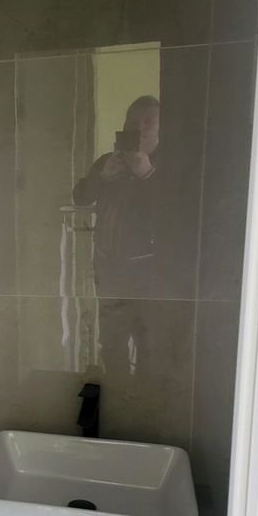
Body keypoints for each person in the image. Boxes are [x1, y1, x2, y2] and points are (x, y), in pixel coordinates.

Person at [72, 95, 160, 375]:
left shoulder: (167, 167)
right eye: (133, 122)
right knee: (111, 343)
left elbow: (172, 214)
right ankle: (116, 396)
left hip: (149, 274)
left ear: (161, 129)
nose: (140, 128)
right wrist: (102, 177)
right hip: (109, 269)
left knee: (149, 346)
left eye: (149, 122)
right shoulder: (107, 162)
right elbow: (80, 197)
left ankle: (143, 400)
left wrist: (148, 174)